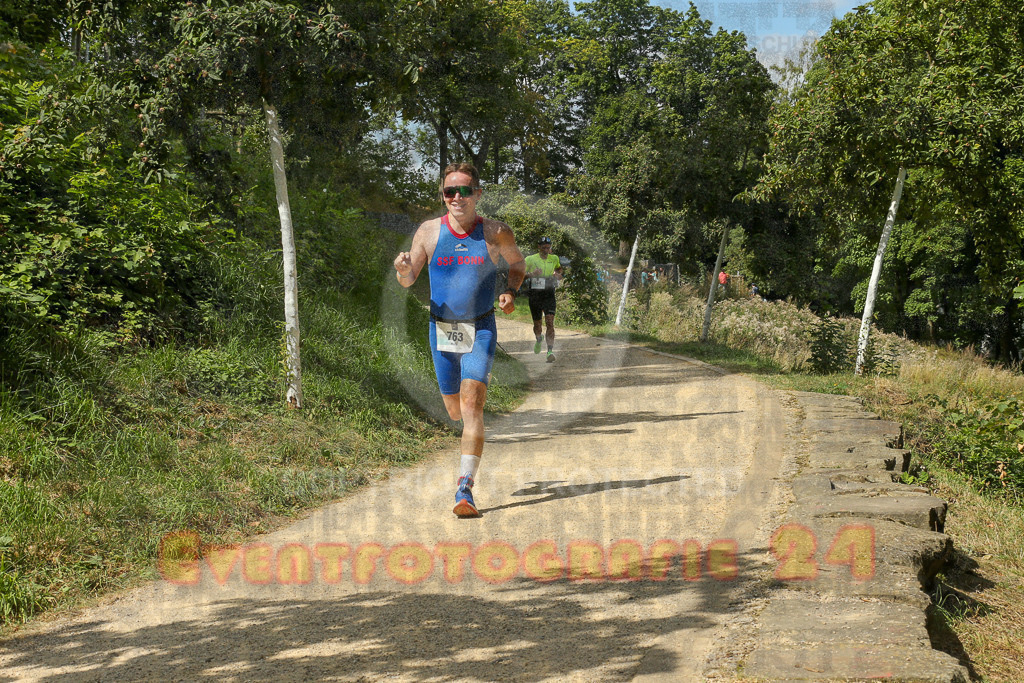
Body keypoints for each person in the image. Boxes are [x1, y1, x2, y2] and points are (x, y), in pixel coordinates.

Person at [393, 163, 525, 518]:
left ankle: (464, 489)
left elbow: (518, 265)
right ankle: (475, 378)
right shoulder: (429, 231)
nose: (456, 198)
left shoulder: (495, 232)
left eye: (464, 191)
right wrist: (404, 269)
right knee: (454, 410)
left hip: (480, 327)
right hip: (442, 330)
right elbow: (408, 280)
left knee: (471, 406)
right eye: (449, 192)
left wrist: (510, 292)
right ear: (443, 196)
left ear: (477, 194)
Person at [523, 236, 563, 363]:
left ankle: (550, 351)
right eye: (543, 247)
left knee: (550, 322)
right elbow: (521, 275)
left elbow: (559, 269)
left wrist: (558, 275)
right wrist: (532, 274)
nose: (546, 250)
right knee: (538, 324)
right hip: (535, 294)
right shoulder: (530, 259)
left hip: (549, 294)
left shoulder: (554, 258)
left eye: (548, 247)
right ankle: (538, 339)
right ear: (539, 247)